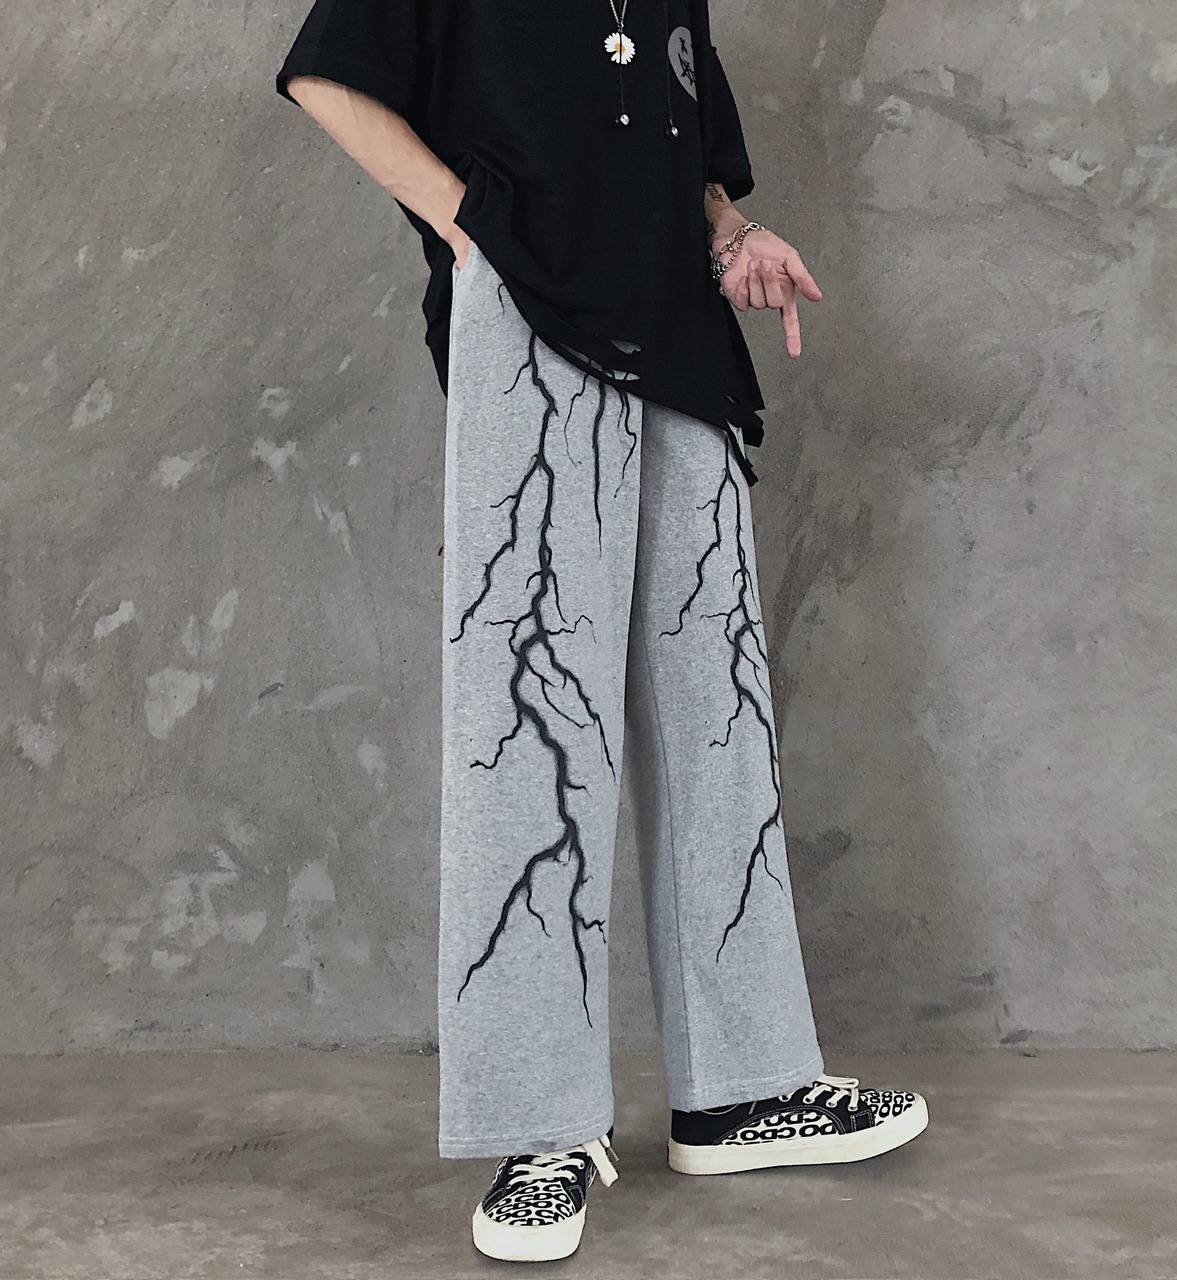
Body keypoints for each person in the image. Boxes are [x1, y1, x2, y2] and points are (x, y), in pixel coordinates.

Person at [275, 0, 928, 1262]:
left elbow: (686, 148)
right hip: (530, 315)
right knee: (535, 720)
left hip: (678, 330)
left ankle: (741, 1086)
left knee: (714, 705)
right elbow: (328, 75)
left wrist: (732, 236)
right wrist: (468, 227)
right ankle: (541, 1127)